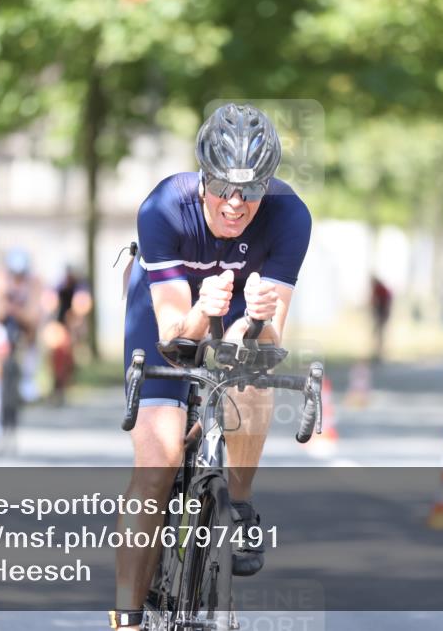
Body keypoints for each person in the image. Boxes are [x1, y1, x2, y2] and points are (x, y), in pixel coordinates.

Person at [111, 104, 312, 630]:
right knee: (158, 457)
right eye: (223, 187)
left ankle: (238, 504)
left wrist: (259, 320)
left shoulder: (291, 216)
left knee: (251, 379)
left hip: (239, 313)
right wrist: (202, 309)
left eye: (251, 189)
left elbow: (271, 342)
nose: (236, 203)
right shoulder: (164, 207)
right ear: (205, 176)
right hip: (170, 311)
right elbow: (172, 334)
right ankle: (128, 615)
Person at [0, 248, 44, 452]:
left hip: (24, 330)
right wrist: (5, 302)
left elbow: (33, 316)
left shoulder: (34, 282)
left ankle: (29, 376)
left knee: (35, 334)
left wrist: (17, 311)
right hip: (2, 327)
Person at [44, 266, 93, 404]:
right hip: (59, 324)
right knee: (56, 353)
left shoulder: (80, 287)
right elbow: (49, 303)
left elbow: (82, 306)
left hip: (71, 325)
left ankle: (62, 384)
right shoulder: (58, 287)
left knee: (66, 355)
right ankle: (57, 385)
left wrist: (76, 323)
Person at [369, 275, 393, 362]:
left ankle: (379, 354)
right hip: (380, 314)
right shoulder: (378, 288)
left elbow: (382, 302)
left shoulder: (380, 289)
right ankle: (377, 353)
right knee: (377, 333)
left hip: (382, 314)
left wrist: (383, 315)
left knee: (379, 334)